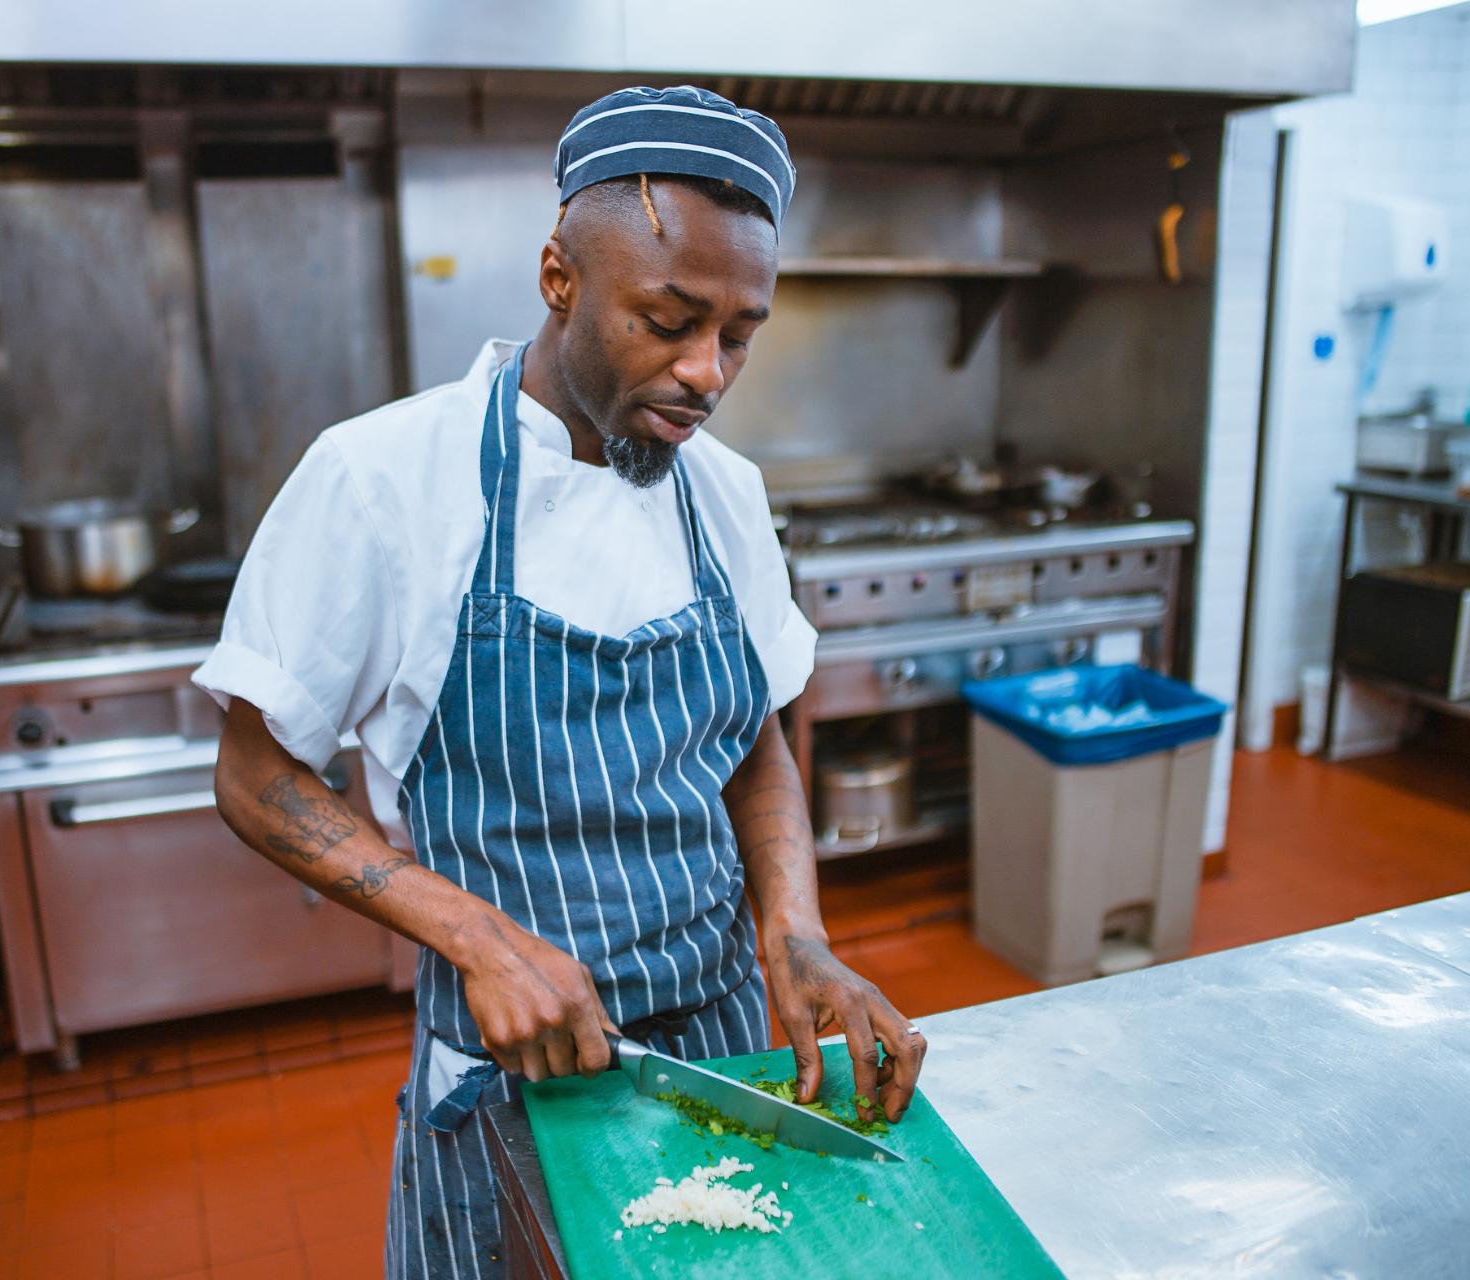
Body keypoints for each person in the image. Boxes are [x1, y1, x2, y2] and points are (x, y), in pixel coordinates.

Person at [196, 84, 926, 1277]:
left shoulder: (724, 493)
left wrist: (794, 926)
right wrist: (476, 937)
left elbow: (751, 741)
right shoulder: (384, 479)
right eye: (668, 319)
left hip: (727, 1059)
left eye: (739, 333)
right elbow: (254, 773)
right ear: (558, 276)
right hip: (512, 1080)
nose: (706, 372)